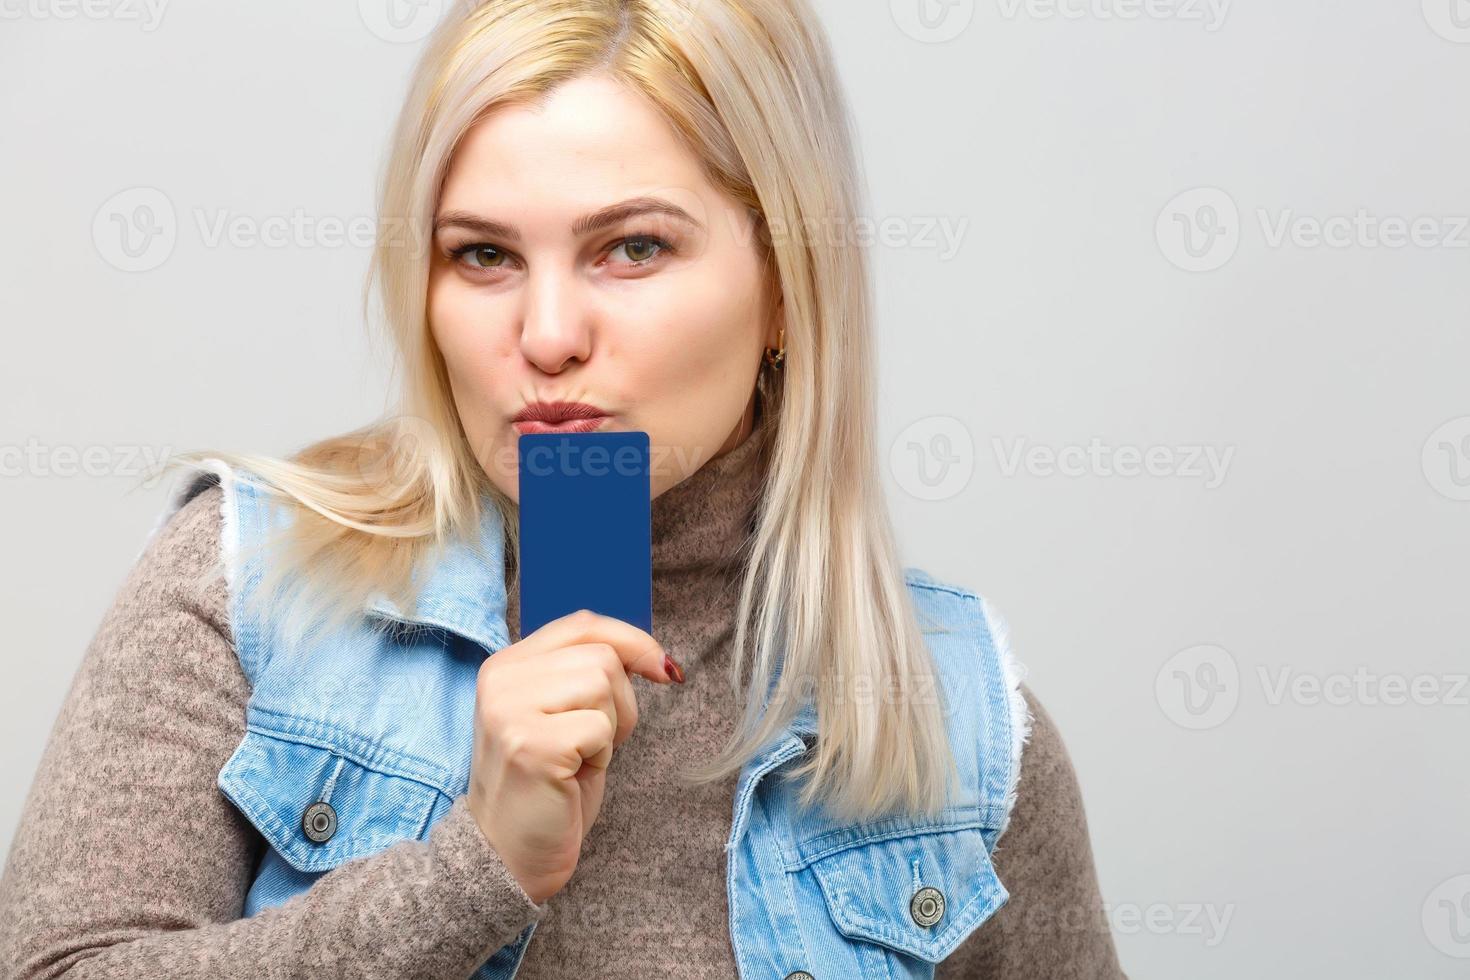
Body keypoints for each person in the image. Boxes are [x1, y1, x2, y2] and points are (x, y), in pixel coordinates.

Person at [0, 0, 1125, 976]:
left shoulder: (959, 728)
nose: (544, 336)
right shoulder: (250, 587)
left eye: (631, 248)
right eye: (482, 255)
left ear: (787, 282)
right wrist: (470, 871)